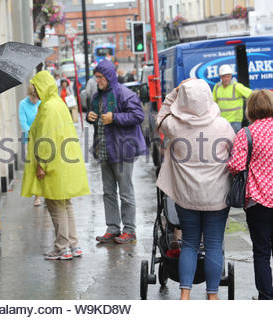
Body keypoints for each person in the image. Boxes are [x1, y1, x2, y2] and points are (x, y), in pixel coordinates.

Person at [157, 78, 235, 300]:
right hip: (217, 198)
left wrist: (175, 92)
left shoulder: (174, 126)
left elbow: (161, 116)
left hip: (186, 198)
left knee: (189, 243)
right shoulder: (222, 126)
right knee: (212, 244)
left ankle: (185, 293)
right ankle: (212, 295)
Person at [21, 71, 90, 260]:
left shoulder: (48, 107)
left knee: (55, 205)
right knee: (66, 205)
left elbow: (46, 139)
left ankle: (62, 247)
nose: (33, 91)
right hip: (64, 163)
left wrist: (42, 164)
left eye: (34, 88)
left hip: (54, 165)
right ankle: (73, 244)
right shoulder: (58, 104)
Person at [86, 60, 146, 244]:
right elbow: (96, 117)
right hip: (104, 150)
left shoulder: (124, 93)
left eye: (100, 77)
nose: (98, 81)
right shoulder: (98, 96)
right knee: (108, 192)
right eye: (96, 77)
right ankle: (113, 228)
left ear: (109, 76)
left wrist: (115, 117)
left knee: (126, 193)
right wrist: (90, 117)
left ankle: (129, 230)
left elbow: (138, 115)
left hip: (122, 151)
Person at [227, 89, 273, 300]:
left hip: (259, 201)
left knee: (262, 251)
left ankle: (265, 297)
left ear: (251, 109)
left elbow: (236, 166)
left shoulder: (246, 134)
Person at [19, 84, 42, 206]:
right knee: (34, 167)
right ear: (29, 96)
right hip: (30, 139)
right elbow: (23, 123)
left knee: (45, 165)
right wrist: (32, 134)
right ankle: (37, 196)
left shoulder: (41, 103)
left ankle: (46, 192)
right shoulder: (23, 104)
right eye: (33, 98)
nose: (35, 100)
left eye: (36, 98)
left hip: (43, 138)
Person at [212, 64, 252, 133]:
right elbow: (213, 103)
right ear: (220, 77)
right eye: (224, 76)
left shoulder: (237, 86)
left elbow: (252, 94)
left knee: (234, 141)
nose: (227, 78)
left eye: (228, 76)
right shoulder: (217, 87)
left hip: (235, 120)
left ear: (231, 76)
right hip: (222, 120)